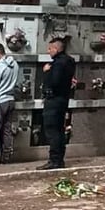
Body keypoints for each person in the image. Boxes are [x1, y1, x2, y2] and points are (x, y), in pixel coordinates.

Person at [38, 37, 76, 170]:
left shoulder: (57, 64)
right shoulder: (70, 62)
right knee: (60, 130)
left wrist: (46, 72)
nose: (48, 51)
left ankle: (54, 160)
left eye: (50, 48)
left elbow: (54, 82)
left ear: (56, 48)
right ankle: (59, 160)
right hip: (63, 100)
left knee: (52, 131)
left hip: (53, 101)